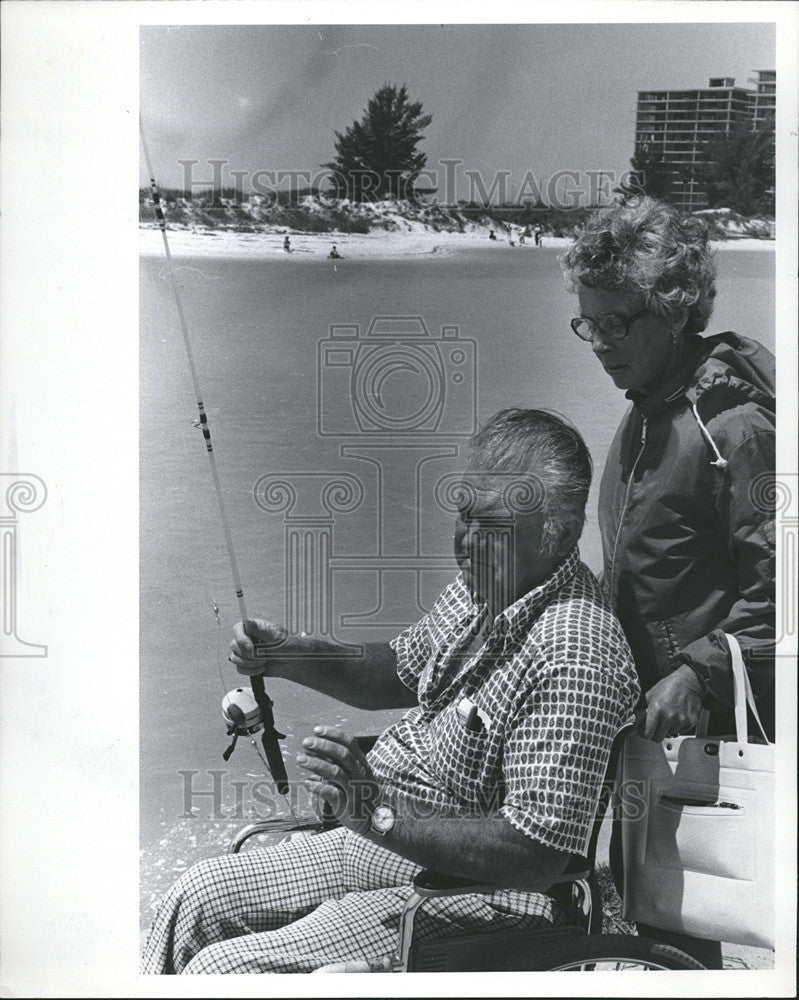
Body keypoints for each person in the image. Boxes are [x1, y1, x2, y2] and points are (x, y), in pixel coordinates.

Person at [141, 409, 640, 974]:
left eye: (491, 525)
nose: (466, 543)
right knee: (193, 899)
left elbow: (537, 852)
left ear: (560, 534)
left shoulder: (574, 651)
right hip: (384, 840)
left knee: (226, 971)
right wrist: (286, 653)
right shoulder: (489, 585)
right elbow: (395, 670)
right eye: (463, 514)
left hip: (481, 895)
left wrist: (378, 809)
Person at [561, 195, 776, 969]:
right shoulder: (648, 411)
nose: (600, 343)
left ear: (677, 309)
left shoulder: (734, 428)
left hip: (717, 728)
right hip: (653, 730)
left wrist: (700, 667)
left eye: (621, 323)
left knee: (692, 918)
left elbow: (782, 587)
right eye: (590, 323)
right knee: (651, 912)